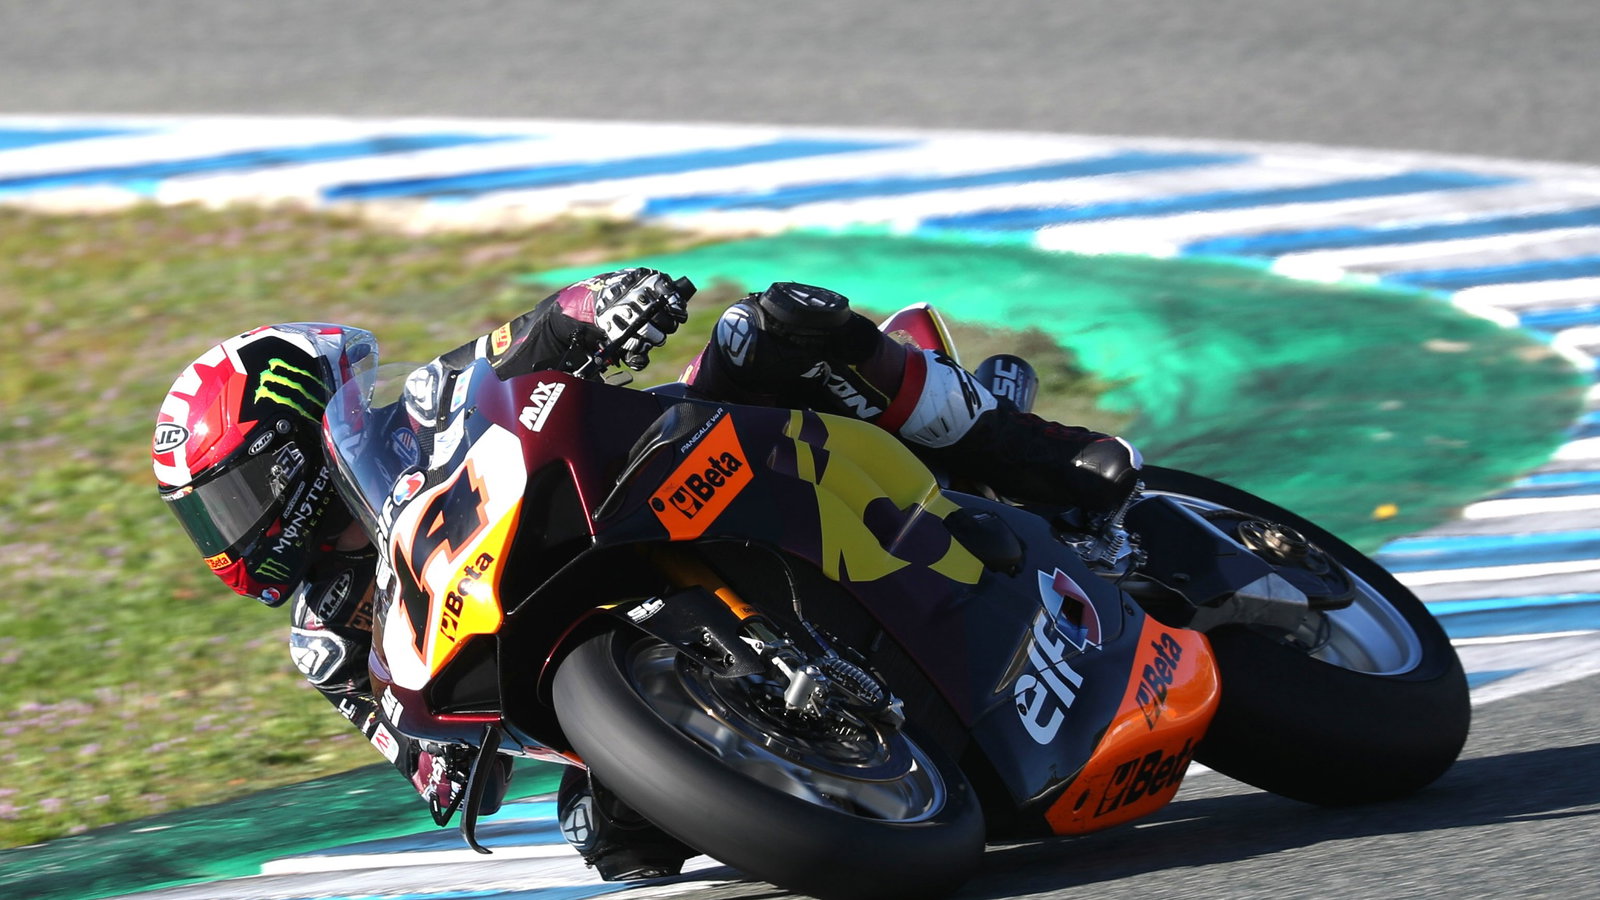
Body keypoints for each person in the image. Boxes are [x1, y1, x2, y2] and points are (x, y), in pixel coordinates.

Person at [151, 268, 1141, 880]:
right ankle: (828, 752)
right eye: (207, 519)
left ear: (293, 443)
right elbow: (429, 764)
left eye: (231, 500)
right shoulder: (327, 633)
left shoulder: (426, 399)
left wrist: (607, 307)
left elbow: (534, 337)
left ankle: (1022, 452)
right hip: (580, 677)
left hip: (661, 485)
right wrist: (452, 760)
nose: (228, 538)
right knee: (620, 847)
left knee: (772, 330)